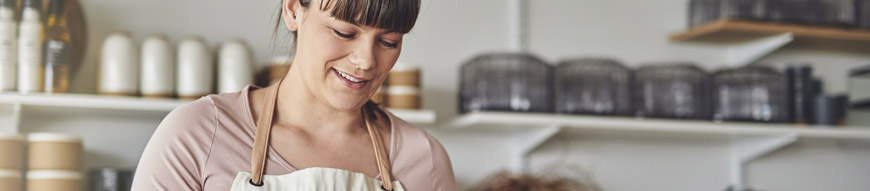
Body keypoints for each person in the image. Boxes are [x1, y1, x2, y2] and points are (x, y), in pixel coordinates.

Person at [130, 0, 456, 190]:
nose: (366, 61)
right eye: (344, 32)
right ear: (293, 10)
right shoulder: (198, 135)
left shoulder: (423, 161)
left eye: (389, 42)